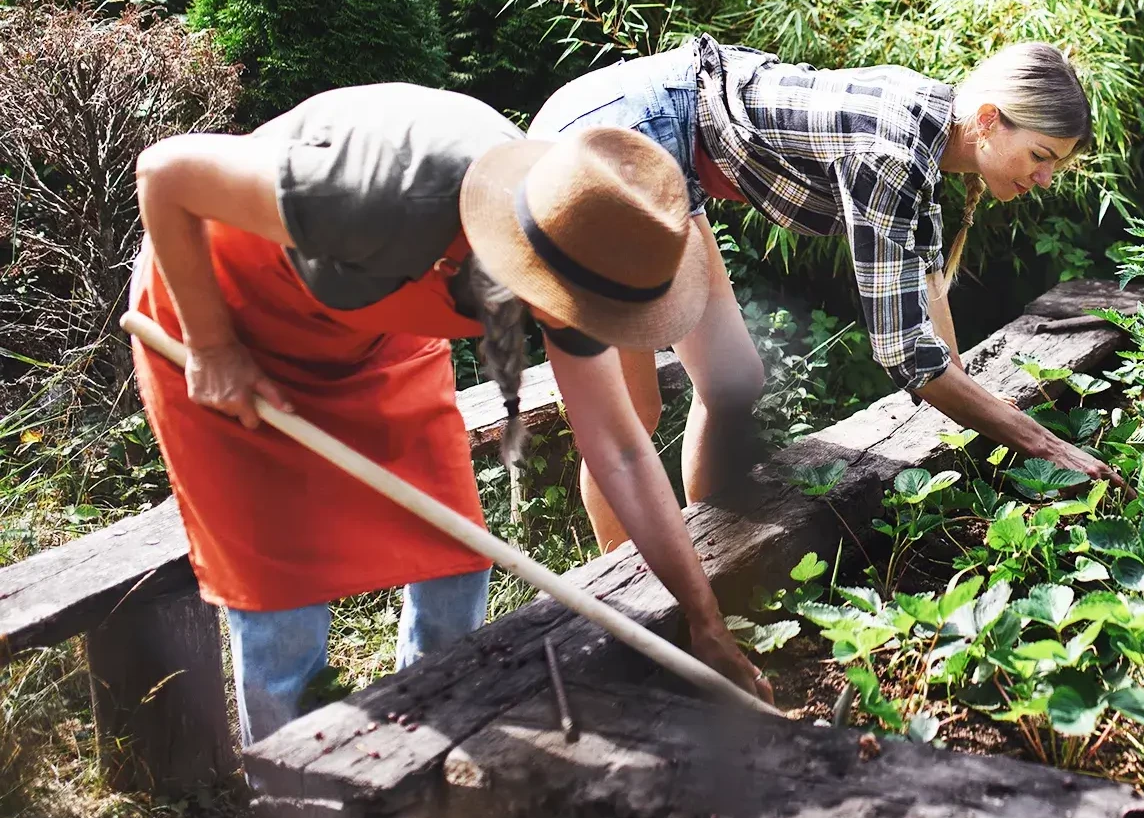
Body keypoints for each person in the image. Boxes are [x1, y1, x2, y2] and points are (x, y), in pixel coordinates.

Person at [130, 86, 771, 743]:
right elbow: (165, 172)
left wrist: (704, 620)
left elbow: (624, 451)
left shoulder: (585, 245)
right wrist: (212, 346)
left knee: (454, 556)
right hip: (223, 313)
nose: (593, 330)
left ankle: (431, 738)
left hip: (368, 332)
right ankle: (297, 787)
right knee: (281, 599)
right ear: (529, 261)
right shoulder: (381, 195)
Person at [529, 37, 1123, 552]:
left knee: (732, 382)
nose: (1045, 179)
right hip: (615, 141)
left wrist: (976, 419)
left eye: (1057, 166)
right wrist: (1041, 443)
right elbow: (904, 353)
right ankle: (638, 608)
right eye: (1042, 156)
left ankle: (713, 558)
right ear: (990, 118)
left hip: (663, 132)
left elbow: (929, 299)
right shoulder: (892, 155)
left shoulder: (933, 127)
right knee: (631, 415)